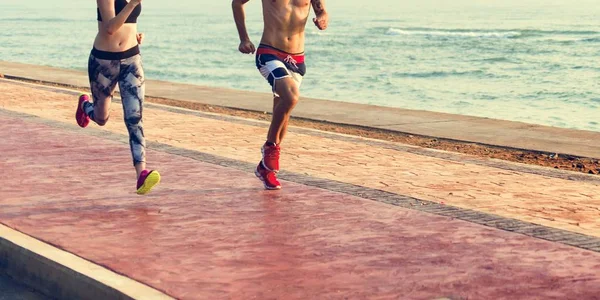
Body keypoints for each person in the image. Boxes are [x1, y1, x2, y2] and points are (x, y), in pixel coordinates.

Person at [232, 0, 329, 190]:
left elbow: (323, 11)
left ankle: (265, 169)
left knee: (283, 111)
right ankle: (270, 148)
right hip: (269, 52)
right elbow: (237, 3)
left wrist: (322, 18)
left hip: (296, 59)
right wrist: (244, 38)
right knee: (291, 96)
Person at [75, 0, 160, 195]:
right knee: (101, 118)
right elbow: (110, 28)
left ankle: (142, 173)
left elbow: (128, 22)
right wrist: (133, 4)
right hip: (103, 62)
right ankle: (86, 107)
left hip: (132, 60)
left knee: (134, 118)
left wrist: (133, 34)